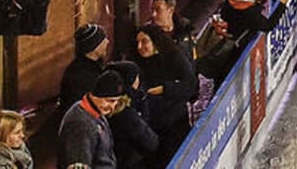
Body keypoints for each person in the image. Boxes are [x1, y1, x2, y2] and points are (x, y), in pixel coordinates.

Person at [133, 25, 195, 156]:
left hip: (177, 121)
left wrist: (164, 89)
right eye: (137, 42)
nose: (139, 47)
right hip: (155, 126)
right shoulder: (137, 64)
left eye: (144, 41)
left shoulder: (174, 57)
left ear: (155, 41)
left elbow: (190, 85)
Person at [58, 70, 123, 169]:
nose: (112, 107)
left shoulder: (96, 111)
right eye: (109, 101)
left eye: (116, 102)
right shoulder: (80, 124)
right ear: (96, 95)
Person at [59, 24, 110, 113]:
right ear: (94, 46)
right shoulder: (80, 75)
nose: (107, 41)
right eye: (103, 39)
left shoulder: (95, 65)